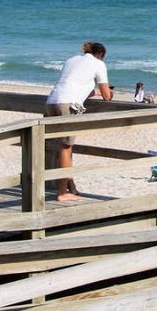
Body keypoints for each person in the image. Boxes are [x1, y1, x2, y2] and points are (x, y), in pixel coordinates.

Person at [45, 42, 112, 200]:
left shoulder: (72, 60)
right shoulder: (98, 64)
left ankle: (71, 187)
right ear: (101, 55)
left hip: (52, 102)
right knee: (65, 148)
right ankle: (62, 193)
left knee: (65, 147)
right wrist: (110, 93)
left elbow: (71, 83)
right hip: (67, 105)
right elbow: (106, 96)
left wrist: (88, 93)